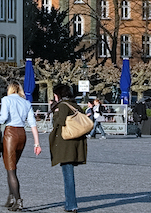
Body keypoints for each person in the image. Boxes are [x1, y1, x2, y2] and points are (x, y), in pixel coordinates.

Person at [0, 81, 41, 211]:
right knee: (12, 166)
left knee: (11, 169)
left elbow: (4, 117)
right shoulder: (26, 102)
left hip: (10, 133)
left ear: (10, 90)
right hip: (22, 134)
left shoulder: (6, 99)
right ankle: (11, 197)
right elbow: (32, 123)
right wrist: (36, 143)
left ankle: (18, 200)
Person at [49, 83, 86, 213]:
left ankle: (71, 205)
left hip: (66, 145)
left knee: (68, 176)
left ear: (58, 95)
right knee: (68, 174)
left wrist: (55, 112)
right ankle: (70, 204)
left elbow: (59, 122)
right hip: (75, 144)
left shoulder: (63, 106)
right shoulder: (76, 105)